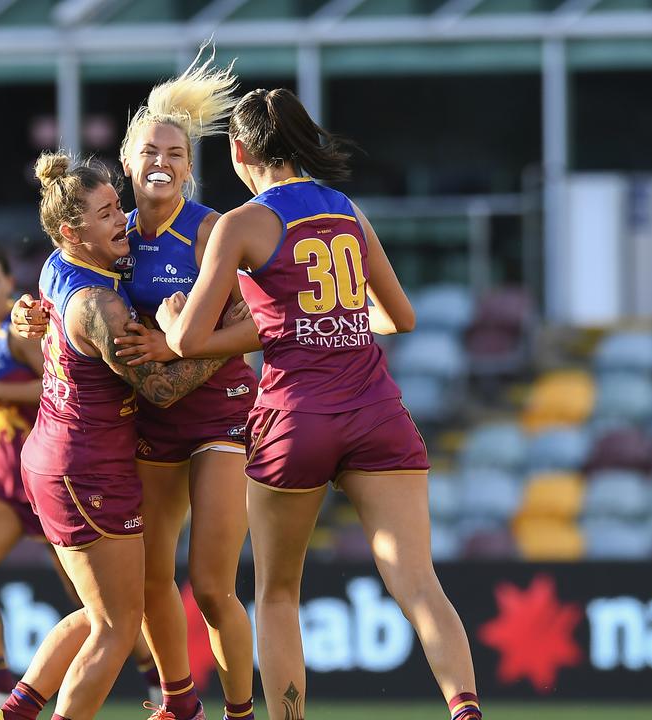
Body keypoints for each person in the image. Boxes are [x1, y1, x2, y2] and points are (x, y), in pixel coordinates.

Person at [159, 89, 483, 720]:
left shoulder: (241, 223)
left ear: (239, 149)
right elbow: (400, 317)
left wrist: (173, 322)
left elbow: (191, 341)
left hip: (295, 419)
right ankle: (467, 711)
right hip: (376, 413)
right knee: (419, 584)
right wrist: (324, 317)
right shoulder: (345, 209)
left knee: (278, 593)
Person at [13, 50, 258, 720]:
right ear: (125, 158)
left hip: (217, 417)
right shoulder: (112, 237)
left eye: (177, 153)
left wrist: (187, 343)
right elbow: (62, 281)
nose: (164, 162)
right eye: (151, 149)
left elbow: (265, 325)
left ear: (190, 166)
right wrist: (24, 313)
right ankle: (180, 703)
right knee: (150, 584)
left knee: (210, 587)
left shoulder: (213, 232)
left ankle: (239, 711)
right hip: (148, 420)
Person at [0, 242, 160, 719]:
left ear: (7, 284)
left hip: (54, 476)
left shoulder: (20, 333)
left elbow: (58, 381)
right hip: (6, 479)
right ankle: (0, 687)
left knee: (100, 605)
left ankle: (155, 682)